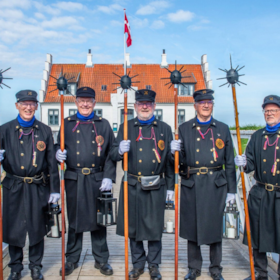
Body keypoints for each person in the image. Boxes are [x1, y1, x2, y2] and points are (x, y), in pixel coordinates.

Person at [171, 89, 236, 280]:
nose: (206, 105)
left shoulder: (223, 129)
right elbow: (180, 162)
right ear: (195, 105)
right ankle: (194, 268)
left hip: (216, 183)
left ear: (212, 105)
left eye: (209, 102)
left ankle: (216, 268)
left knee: (215, 227)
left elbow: (230, 162)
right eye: (202, 102)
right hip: (192, 183)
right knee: (192, 227)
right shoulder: (184, 128)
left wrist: (232, 190)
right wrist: (173, 152)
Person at [110, 89, 174, 280]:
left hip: (156, 184)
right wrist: (120, 151)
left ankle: (154, 265)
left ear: (154, 106)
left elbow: (170, 161)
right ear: (135, 106)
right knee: (133, 227)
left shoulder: (164, 128)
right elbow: (113, 155)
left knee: (155, 228)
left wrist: (170, 187)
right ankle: (138, 264)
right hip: (132, 184)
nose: (145, 106)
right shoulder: (126, 126)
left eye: (148, 103)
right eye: (141, 103)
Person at [56, 87, 116, 276]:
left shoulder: (103, 124)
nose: (85, 104)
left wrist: (108, 176)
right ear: (75, 102)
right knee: (74, 220)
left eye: (88, 101)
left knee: (99, 220)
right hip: (74, 178)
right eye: (81, 100)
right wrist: (58, 153)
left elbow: (111, 153)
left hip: (97, 178)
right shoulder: (66, 124)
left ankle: (102, 259)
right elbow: (58, 145)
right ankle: (71, 259)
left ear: (94, 103)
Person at [0, 90, 60, 280]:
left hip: (37, 186)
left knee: (37, 228)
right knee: (14, 228)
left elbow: (51, 162)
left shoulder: (44, 130)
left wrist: (55, 190)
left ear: (36, 106)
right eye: (24, 104)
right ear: (17, 105)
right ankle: (15, 267)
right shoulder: (4, 130)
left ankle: (35, 266)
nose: (28, 107)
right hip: (13, 186)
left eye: (32, 104)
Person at [235, 95, 280, 280]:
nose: (269, 114)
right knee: (257, 234)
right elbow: (250, 165)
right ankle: (261, 273)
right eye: (266, 111)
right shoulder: (257, 136)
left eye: (273, 111)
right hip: (260, 192)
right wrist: (243, 163)